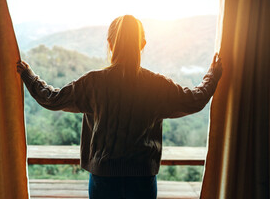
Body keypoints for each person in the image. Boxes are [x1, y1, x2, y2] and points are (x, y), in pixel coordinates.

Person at [17, 15, 222, 199]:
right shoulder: (157, 85)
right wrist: (212, 76)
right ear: (142, 44)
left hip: (103, 179)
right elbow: (195, 100)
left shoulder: (94, 83)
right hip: (143, 180)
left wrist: (29, 75)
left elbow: (52, 99)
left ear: (110, 44)